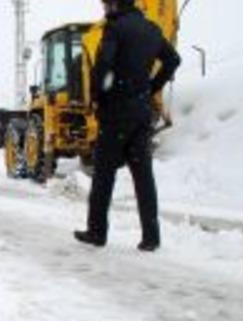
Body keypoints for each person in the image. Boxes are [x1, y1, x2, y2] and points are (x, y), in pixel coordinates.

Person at [75, 0, 181, 252]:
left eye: (105, 3)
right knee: (143, 176)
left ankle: (97, 232)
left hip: (115, 113)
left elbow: (103, 69)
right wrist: (150, 88)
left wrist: (99, 99)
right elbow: (173, 60)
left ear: (115, 4)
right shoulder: (152, 29)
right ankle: (151, 237)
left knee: (103, 175)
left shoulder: (115, 29)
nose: (103, 8)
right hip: (141, 113)